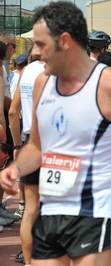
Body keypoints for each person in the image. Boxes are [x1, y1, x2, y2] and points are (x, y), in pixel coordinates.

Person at [0, 2, 111, 266]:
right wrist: (15, 167)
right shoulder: (41, 83)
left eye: (40, 44)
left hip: (94, 211)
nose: (35, 52)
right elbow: (37, 145)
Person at [9, 54, 45, 266]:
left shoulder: (28, 70)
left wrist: (16, 145)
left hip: (30, 142)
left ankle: (30, 260)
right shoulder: (65, 69)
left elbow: (13, 111)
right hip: (57, 143)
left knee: (31, 208)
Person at [0, 34, 19, 228]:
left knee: (4, 165)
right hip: (3, 121)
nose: (14, 50)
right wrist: (19, 105)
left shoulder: (3, 67)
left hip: (4, 119)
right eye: (13, 46)